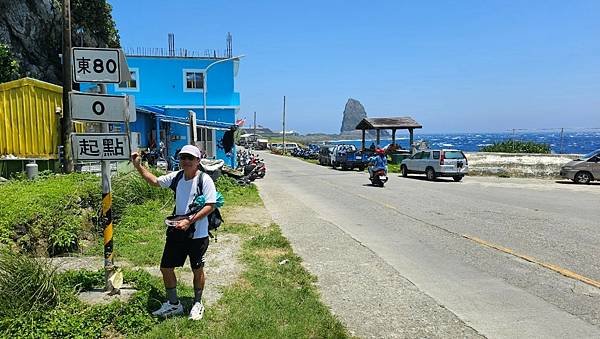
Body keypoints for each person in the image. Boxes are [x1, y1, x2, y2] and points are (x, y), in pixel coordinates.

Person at [131, 144, 216, 321]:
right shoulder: (177, 177)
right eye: (183, 157)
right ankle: (173, 304)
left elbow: (210, 205)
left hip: (198, 234)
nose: (185, 161)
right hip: (177, 230)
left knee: (197, 268)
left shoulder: (204, 180)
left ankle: (198, 303)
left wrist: (189, 221)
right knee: (166, 267)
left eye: (190, 158)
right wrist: (138, 166)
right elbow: (155, 182)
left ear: (198, 161)